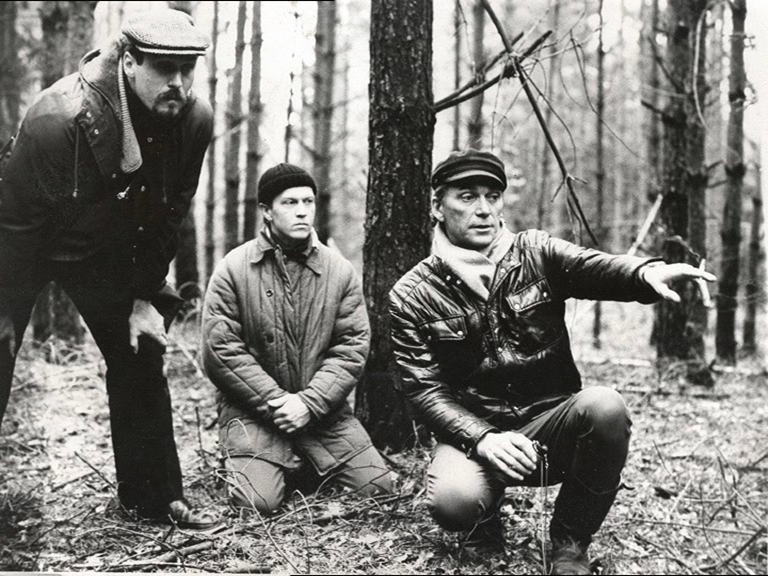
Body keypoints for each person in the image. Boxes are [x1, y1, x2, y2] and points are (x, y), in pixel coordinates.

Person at [389, 149, 716, 574]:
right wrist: (483, 438)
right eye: (466, 197)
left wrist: (644, 273)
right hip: (475, 436)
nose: (483, 210)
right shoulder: (411, 294)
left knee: (605, 407)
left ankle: (569, 543)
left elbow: (595, 268)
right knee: (455, 501)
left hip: (549, 427)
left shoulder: (535, 252)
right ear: (437, 206)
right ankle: (482, 524)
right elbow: (424, 391)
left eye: (492, 196)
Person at [0, 9, 217, 529]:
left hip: (106, 247)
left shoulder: (193, 119)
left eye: (187, 69)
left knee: (142, 348)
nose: (178, 83)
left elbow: (170, 212)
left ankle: (153, 497)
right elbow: (14, 226)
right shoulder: (58, 118)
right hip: (26, 240)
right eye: (164, 68)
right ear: (129, 61)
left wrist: (143, 296)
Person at [201, 163, 392, 514]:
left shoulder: (339, 271)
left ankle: (301, 466)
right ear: (266, 211)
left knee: (378, 489)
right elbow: (220, 350)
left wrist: (309, 403)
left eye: (308, 201)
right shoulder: (233, 268)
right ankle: (271, 466)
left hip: (322, 413)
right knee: (257, 503)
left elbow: (351, 346)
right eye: (289, 202)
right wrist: (277, 402)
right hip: (255, 414)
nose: (302, 211)